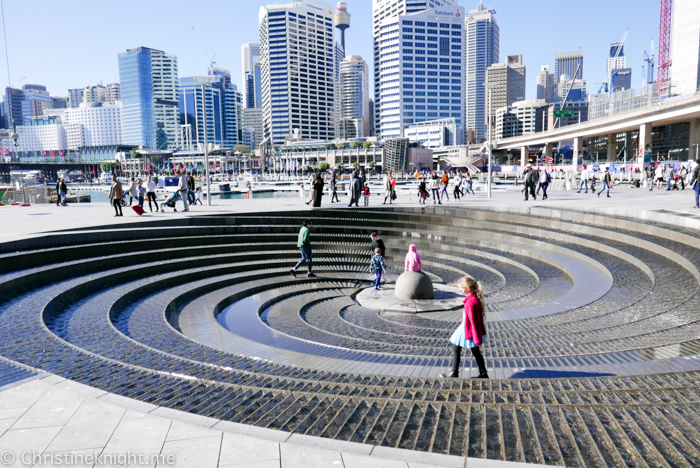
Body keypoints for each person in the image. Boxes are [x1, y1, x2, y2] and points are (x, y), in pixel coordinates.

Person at [440, 276, 488, 379]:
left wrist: (477, 339)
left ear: (467, 288)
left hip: (469, 330)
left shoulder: (471, 302)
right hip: (467, 327)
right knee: (473, 351)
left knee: (457, 348)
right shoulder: (473, 298)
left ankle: (455, 373)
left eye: (461, 288)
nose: (460, 290)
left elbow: (475, 322)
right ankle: (483, 373)